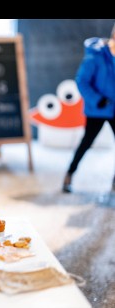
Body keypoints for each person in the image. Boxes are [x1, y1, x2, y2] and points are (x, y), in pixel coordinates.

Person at [62, 24, 115, 193]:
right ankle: (69, 174)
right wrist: (97, 100)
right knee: (86, 142)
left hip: (114, 108)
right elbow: (82, 81)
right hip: (97, 109)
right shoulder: (96, 55)